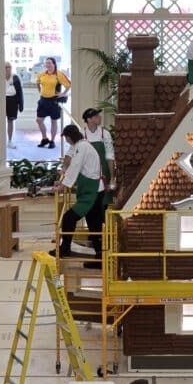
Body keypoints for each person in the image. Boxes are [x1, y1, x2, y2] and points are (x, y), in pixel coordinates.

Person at [52, 125, 105, 268]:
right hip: (94, 190)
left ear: (70, 137)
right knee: (94, 225)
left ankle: (65, 249)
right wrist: (62, 180)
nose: (67, 141)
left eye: (67, 138)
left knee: (70, 217)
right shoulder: (81, 145)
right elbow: (71, 164)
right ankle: (100, 256)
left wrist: (62, 186)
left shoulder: (82, 147)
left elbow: (75, 166)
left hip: (92, 192)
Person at [82, 107, 116, 208]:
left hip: (103, 175)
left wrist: (112, 178)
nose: (99, 117)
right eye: (96, 116)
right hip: (87, 176)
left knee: (103, 204)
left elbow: (110, 156)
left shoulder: (105, 134)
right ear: (89, 119)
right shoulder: (81, 134)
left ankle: (103, 223)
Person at [35, 57, 71, 148]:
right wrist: (40, 92)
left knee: (53, 121)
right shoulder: (42, 74)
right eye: (46, 63)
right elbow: (37, 83)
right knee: (39, 120)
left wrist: (63, 94)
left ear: (54, 64)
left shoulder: (59, 74)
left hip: (53, 101)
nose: (48, 65)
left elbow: (68, 84)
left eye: (50, 63)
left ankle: (52, 141)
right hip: (43, 100)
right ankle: (44, 138)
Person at [5, 62, 24, 147]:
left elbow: (20, 92)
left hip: (12, 101)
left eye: (9, 67)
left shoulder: (15, 77)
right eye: (5, 67)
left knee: (10, 121)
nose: (7, 69)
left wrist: (21, 104)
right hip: (1, 101)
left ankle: (9, 141)